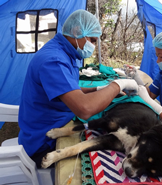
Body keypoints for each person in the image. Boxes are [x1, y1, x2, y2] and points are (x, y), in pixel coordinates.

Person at [18, 9, 138, 168]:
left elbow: (69, 88)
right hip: (42, 141)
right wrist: (118, 85)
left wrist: (98, 89)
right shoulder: (54, 61)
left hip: (52, 122)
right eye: (93, 40)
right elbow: (85, 108)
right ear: (76, 31)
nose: (93, 46)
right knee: (103, 160)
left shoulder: (65, 52)